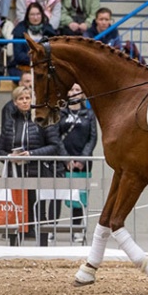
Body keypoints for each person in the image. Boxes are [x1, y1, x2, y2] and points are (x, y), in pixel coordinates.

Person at [0, 85, 62, 246]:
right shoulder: (10, 123)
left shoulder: (43, 119)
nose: (24, 101)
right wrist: (10, 157)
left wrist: (32, 154)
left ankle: (43, 247)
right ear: (15, 102)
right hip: (15, 174)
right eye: (20, 99)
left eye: (27, 98)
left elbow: (55, 146)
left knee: (39, 211)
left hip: (37, 172)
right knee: (16, 212)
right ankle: (14, 247)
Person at [54, 83, 98, 243]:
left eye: (77, 90)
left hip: (82, 163)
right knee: (57, 196)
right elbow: (56, 137)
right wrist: (66, 159)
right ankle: (51, 227)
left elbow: (92, 138)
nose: (74, 92)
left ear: (83, 94)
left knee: (78, 198)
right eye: (71, 89)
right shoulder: (60, 112)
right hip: (62, 162)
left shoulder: (89, 114)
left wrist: (81, 159)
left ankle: (77, 230)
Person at [8, 2, 56, 77]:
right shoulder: (19, 30)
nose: (35, 17)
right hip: (24, 66)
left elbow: (53, 52)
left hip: (44, 66)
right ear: (27, 16)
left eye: (38, 14)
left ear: (42, 15)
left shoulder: (49, 30)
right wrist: (35, 59)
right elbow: (18, 54)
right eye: (32, 15)